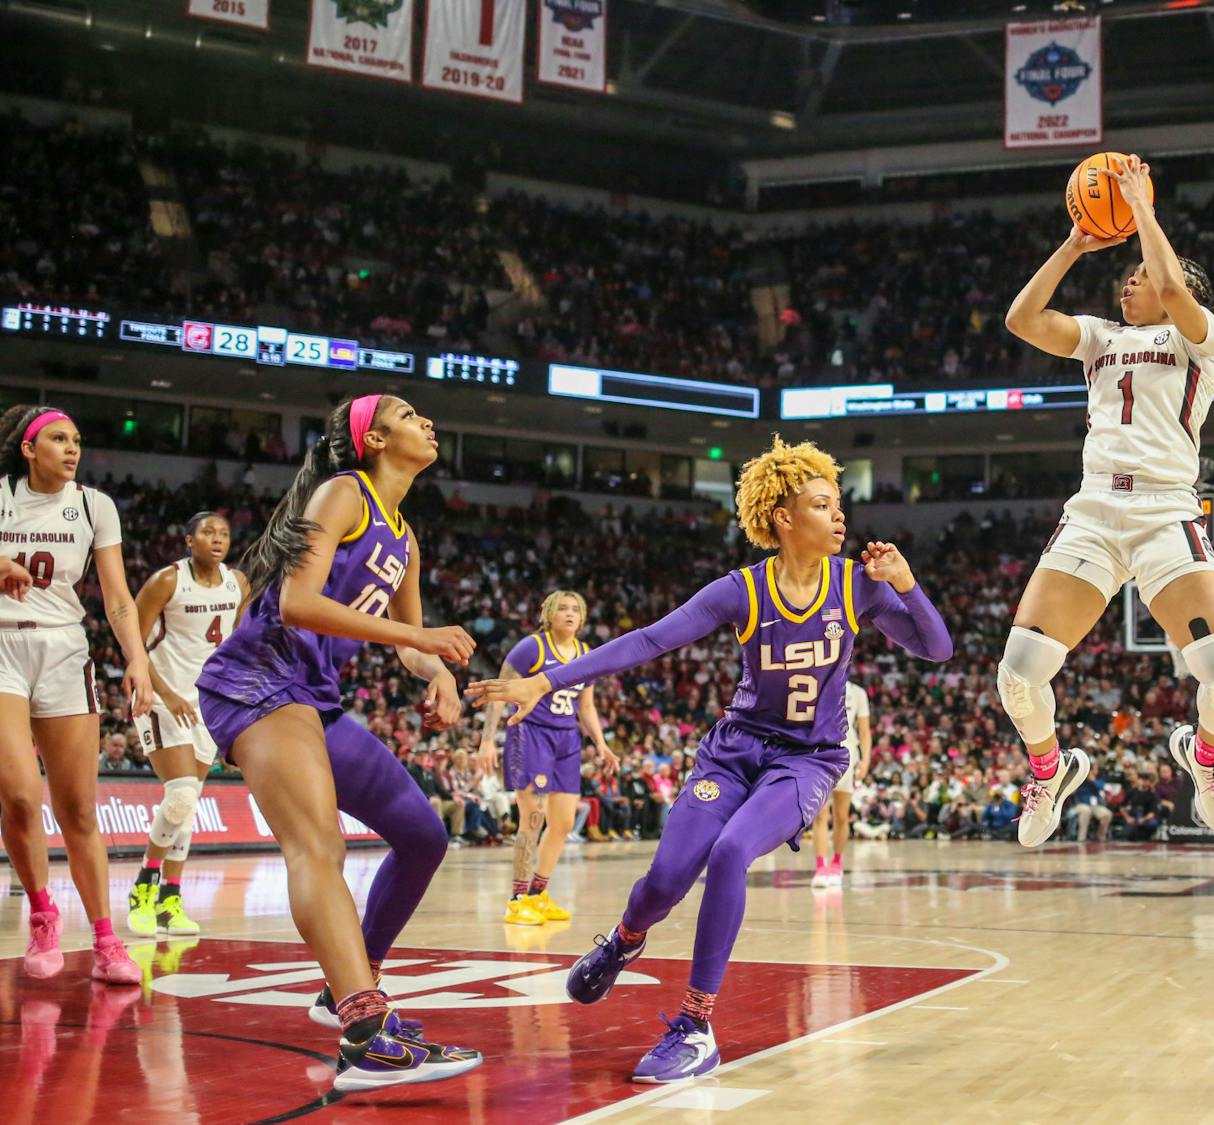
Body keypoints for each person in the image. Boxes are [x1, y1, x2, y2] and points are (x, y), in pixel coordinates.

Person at [466, 437, 951, 1083]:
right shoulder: (741, 590)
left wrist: (910, 585)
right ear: (783, 516)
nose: (840, 517)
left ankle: (695, 1025)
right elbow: (649, 639)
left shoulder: (858, 583)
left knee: (730, 853)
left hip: (806, 760)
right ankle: (624, 939)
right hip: (734, 751)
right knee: (665, 881)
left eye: (839, 504)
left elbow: (937, 647)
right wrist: (547, 680)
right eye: (823, 504)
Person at [999, 153, 1214, 847]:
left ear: (1178, 293)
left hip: (1167, 512)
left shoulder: (1200, 340)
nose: (1130, 282)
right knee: (1017, 675)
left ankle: (1208, 757)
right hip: (1095, 512)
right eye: (1127, 276)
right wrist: (1075, 242)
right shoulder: (1101, 338)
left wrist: (1141, 208)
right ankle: (1051, 769)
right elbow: (1022, 318)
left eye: (1139, 276)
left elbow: (1168, 276)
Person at [195, 395, 481, 1091]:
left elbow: (408, 640)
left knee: (423, 835)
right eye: (412, 414)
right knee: (318, 844)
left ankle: (349, 986)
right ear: (376, 438)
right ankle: (365, 1032)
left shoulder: (405, 536)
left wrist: (435, 668)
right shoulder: (342, 492)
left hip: (313, 696)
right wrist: (419, 638)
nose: (429, 421)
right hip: (259, 678)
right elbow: (296, 601)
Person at [0, 405, 152, 985]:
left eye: (77, 440)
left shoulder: (94, 505)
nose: (72, 449)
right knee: (17, 796)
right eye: (58, 439)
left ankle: (107, 940)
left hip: (65, 652)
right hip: (3, 648)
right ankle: (42, 913)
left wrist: (136, 657)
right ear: (28, 448)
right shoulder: (2, 496)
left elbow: (116, 597)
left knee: (79, 809)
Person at [127, 512, 250, 937]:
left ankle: (170, 902)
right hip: (162, 698)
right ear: (188, 540)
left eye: (224, 534)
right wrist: (165, 693)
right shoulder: (166, 581)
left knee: (189, 802)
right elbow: (133, 644)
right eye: (207, 532)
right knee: (179, 795)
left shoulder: (239, 583)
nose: (217, 539)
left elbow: (239, 647)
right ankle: (144, 886)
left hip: (207, 704)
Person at [481, 590, 619, 926]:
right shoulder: (531, 647)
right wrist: (487, 741)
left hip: (567, 740)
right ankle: (517, 900)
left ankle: (538, 894)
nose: (570, 614)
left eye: (576, 609)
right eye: (563, 609)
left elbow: (585, 706)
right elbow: (500, 692)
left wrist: (600, 743)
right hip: (530, 734)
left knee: (564, 823)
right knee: (533, 816)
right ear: (549, 614)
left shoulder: (586, 653)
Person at [811, 679, 871, 888]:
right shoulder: (818, 685)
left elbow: (864, 731)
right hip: (821, 752)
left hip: (848, 754)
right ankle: (820, 867)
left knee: (841, 815)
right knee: (819, 814)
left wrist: (865, 760)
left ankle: (836, 863)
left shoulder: (858, 692)